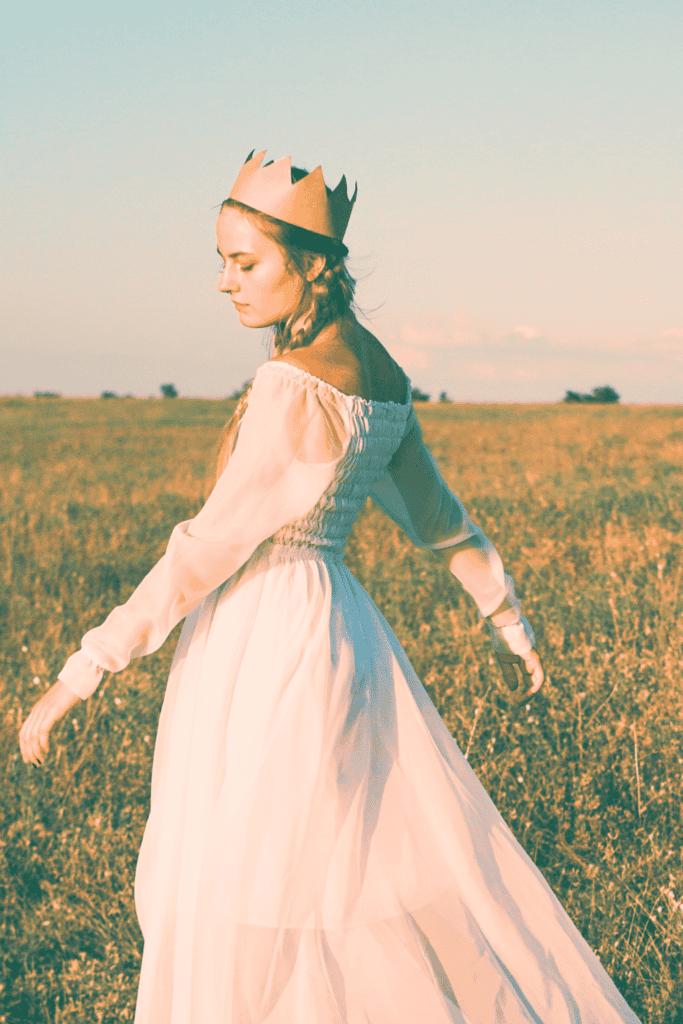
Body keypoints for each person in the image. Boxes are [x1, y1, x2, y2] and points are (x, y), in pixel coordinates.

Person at [19, 151, 641, 1024]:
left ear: (311, 263)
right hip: (340, 628)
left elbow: (206, 550)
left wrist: (83, 670)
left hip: (263, 632)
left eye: (245, 264)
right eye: (223, 263)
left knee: (244, 877)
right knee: (342, 862)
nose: (225, 284)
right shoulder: (379, 372)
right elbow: (439, 519)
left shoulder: (290, 383)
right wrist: (505, 616)